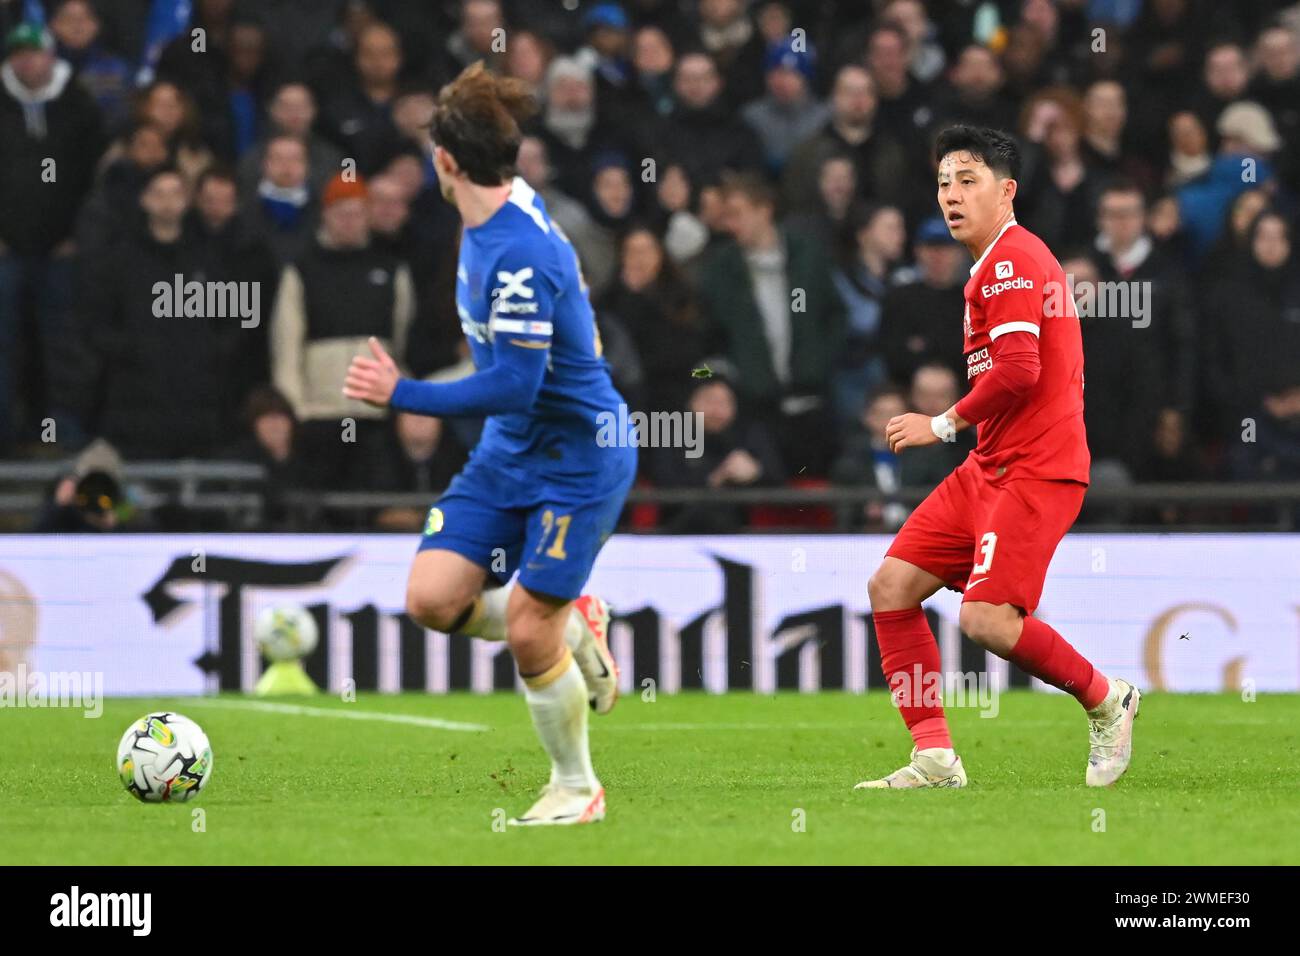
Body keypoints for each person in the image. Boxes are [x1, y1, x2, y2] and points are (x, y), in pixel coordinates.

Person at [343, 63, 635, 827]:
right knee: (432, 600)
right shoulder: (500, 211)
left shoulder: (515, 252)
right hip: (511, 450)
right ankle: (577, 621)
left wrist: (403, 392)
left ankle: (577, 787)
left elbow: (515, 384)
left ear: (444, 160)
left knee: (526, 626)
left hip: (579, 454)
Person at [859, 125, 1140, 791]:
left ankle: (1108, 698)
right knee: (891, 588)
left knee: (986, 620)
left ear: (1006, 191)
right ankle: (934, 758)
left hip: (1036, 468)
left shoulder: (1014, 260)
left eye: (967, 181)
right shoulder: (991, 265)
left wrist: (942, 423)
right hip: (993, 464)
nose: (950, 196)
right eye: (943, 183)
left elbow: (1017, 370)